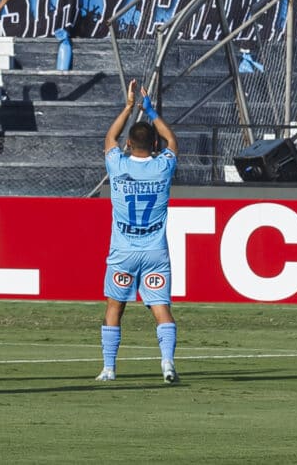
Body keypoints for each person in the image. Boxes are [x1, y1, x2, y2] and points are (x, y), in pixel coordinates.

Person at [97, 78, 180, 385]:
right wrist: (150, 109)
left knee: (114, 307)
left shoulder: (117, 164)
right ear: (154, 145)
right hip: (155, 251)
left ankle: (109, 368)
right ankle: (168, 363)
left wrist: (130, 106)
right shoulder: (163, 167)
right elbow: (172, 141)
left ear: (129, 144)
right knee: (161, 308)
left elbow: (109, 138)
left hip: (123, 251)